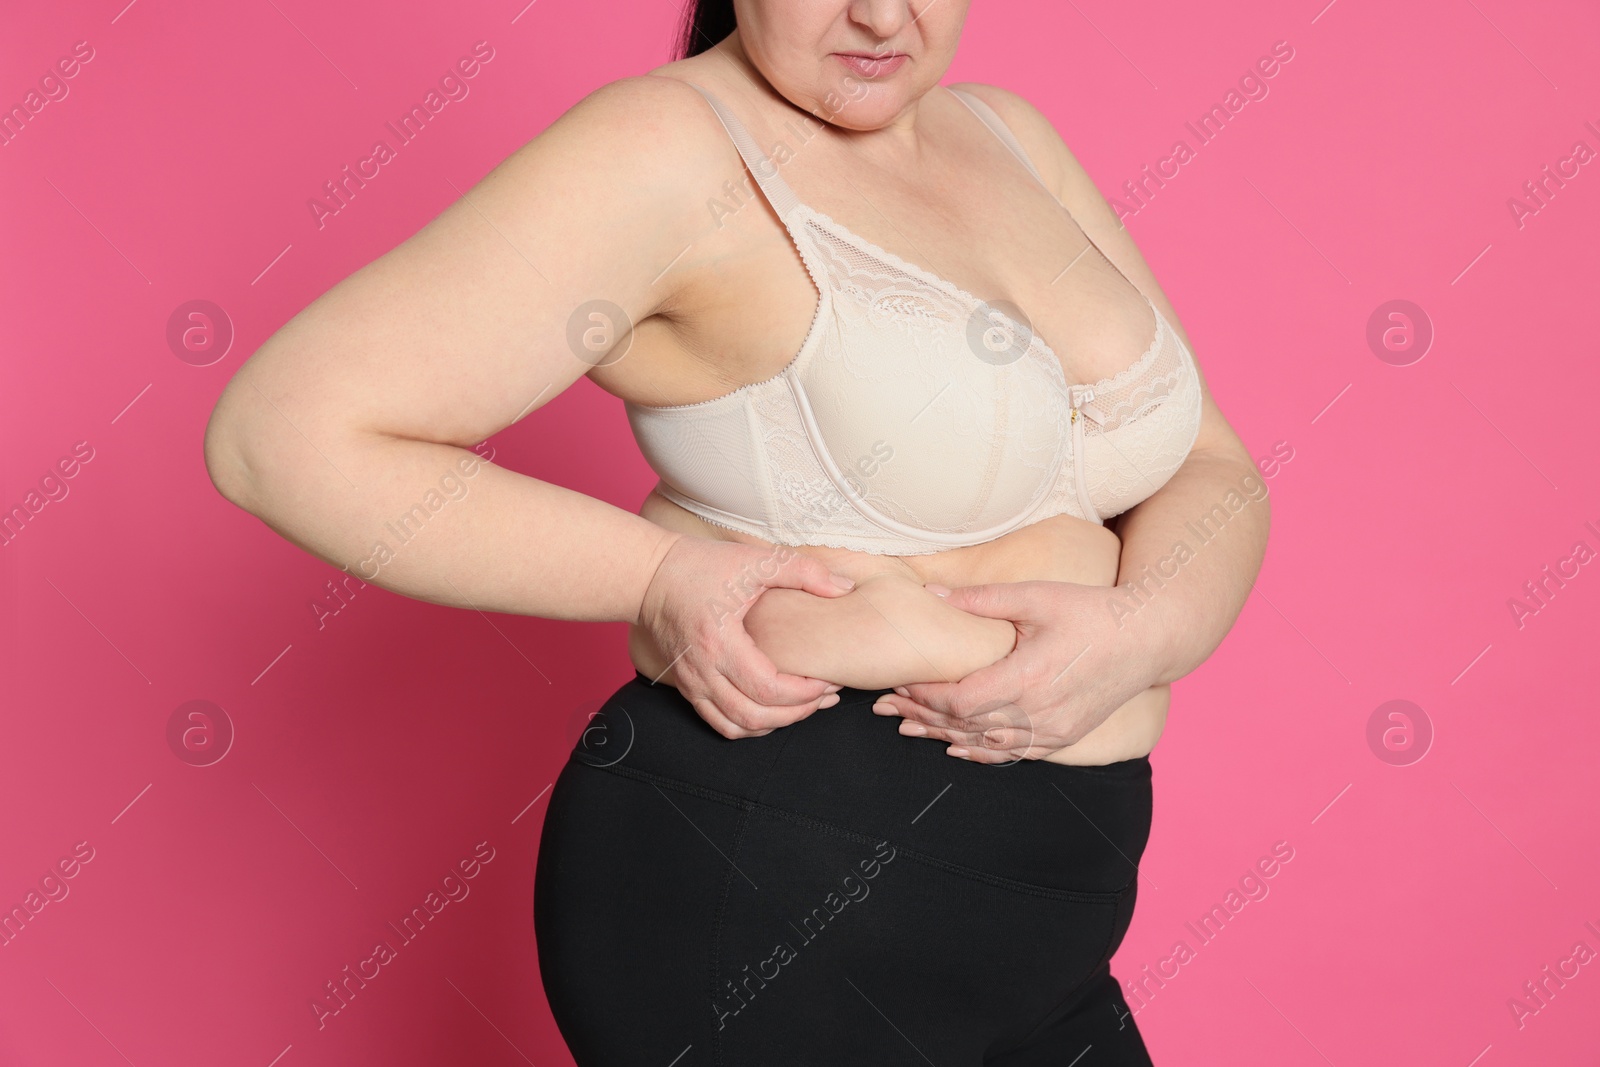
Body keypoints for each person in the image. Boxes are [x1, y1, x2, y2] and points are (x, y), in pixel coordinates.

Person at [203, 1, 1269, 1062]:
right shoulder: (667, 150)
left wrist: (1145, 628)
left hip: (1052, 919)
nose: (880, 13)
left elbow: (1211, 465)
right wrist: (665, 573)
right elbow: (283, 435)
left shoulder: (1006, 135)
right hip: (778, 890)